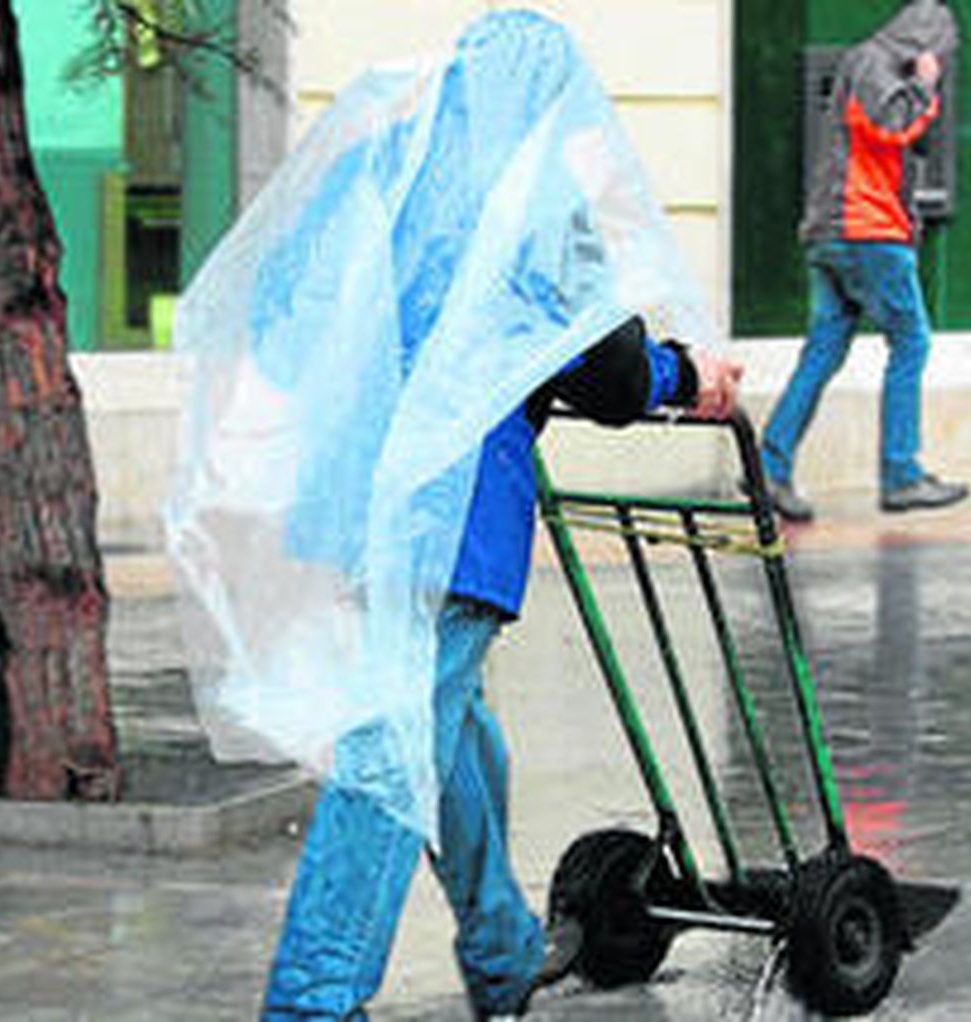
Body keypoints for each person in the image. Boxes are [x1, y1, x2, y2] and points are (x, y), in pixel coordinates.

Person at [165, 11, 739, 1020]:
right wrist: (684, 376)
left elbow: (290, 295)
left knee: (457, 732)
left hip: (355, 499)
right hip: (453, 519)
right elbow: (601, 366)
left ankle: (502, 944)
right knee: (390, 760)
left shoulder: (387, 159)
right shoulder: (531, 192)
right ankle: (312, 1001)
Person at [760, 0, 968, 522]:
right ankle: (900, 474)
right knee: (911, 340)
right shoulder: (875, 63)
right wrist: (925, 83)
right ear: (923, 43)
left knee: (824, 352)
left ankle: (770, 468)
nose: (940, 62)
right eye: (937, 52)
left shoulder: (865, 63)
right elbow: (891, 125)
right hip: (865, 230)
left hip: (837, 232)